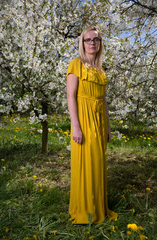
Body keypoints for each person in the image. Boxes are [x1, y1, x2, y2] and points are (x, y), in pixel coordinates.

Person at [66, 26, 118, 224]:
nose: (92, 43)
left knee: (98, 164)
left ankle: (98, 209)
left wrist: (108, 126)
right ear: (82, 43)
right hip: (83, 120)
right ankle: (85, 212)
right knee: (85, 164)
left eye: (96, 40)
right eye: (88, 40)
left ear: (100, 43)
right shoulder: (75, 65)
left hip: (99, 121)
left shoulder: (100, 70)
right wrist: (76, 127)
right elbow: (71, 97)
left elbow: (103, 99)